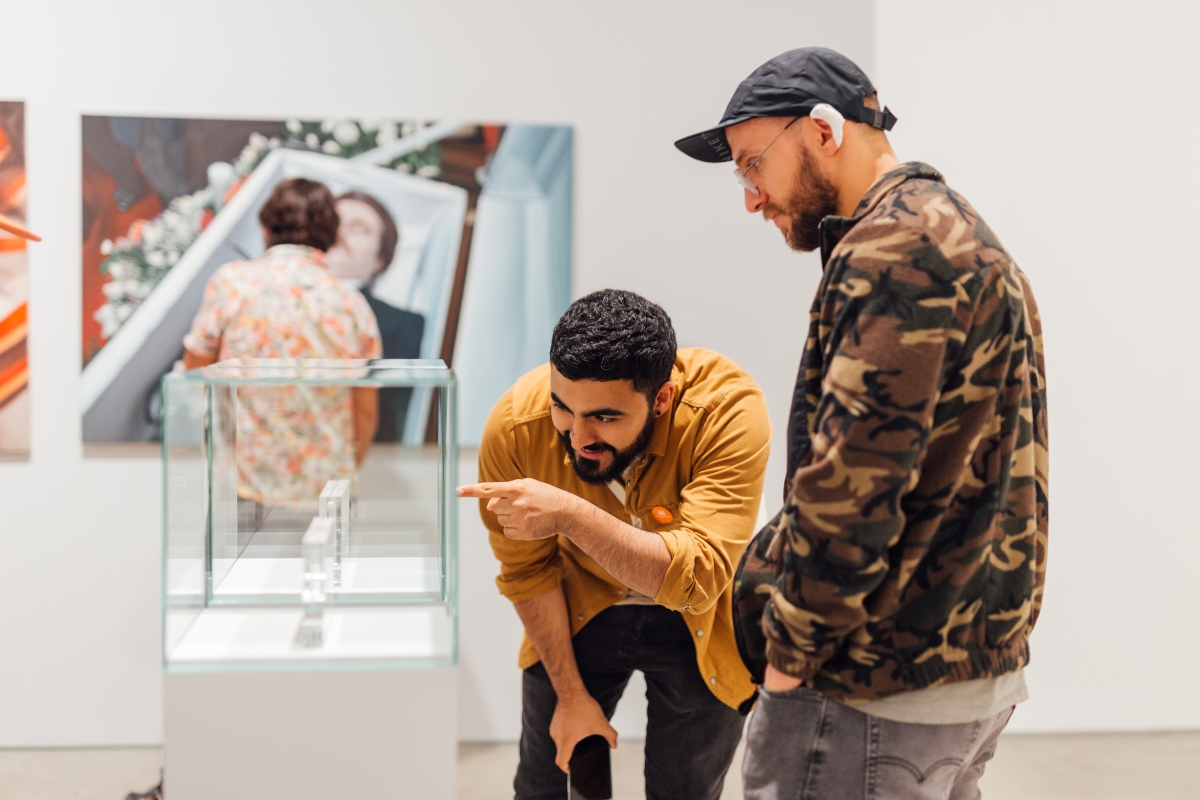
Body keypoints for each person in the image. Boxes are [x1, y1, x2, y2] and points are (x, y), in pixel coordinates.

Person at [675, 47, 1049, 799]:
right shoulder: (956, 231)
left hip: (871, 685)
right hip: (956, 664)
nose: (751, 198)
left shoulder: (892, 251)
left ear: (823, 130)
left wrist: (788, 666)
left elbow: (852, 486)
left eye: (753, 165)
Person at [458, 290, 772, 800]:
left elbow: (697, 582)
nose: (578, 437)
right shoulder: (516, 427)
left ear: (661, 399)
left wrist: (570, 515)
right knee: (543, 784)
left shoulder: (725, 409)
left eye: (604, 417)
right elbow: (527, 573)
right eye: (562, 407)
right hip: (578, 603)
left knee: (684, 791)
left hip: (703, 620)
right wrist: (569, 695)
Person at [183, 177, 382, 508]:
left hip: (243, 484)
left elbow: (195, 369)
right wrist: (346, 474)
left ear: (265, 228)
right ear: (332, 237)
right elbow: (365, 411)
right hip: (324, 491)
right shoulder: (352, 305)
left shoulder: (233, 284)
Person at [325, 190, 424, 441]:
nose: (339, 232)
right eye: (331, 222)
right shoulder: (269, 298)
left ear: (379, 259)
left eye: (359, 229)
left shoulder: (405, 326)